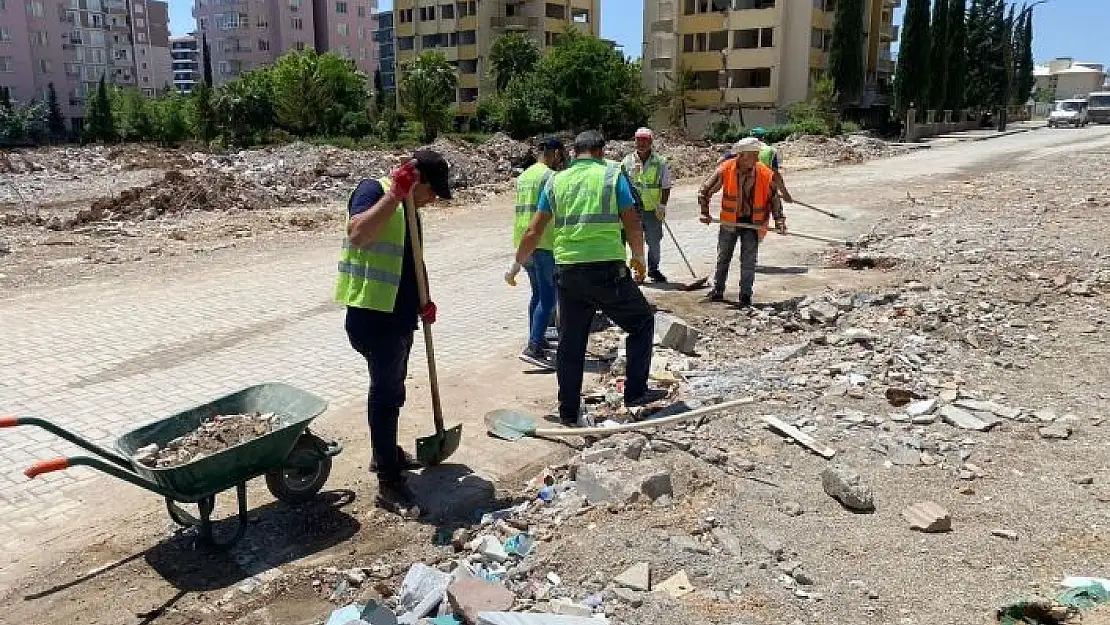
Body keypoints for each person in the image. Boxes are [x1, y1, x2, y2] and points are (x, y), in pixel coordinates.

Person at [506, 130, 666, 426]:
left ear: (575, 151)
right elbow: (632, 221)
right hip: (607, 269)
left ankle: (568, 411)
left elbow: (534, 230)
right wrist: (639, 258)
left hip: (568, 272)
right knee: (642, 322)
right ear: (601, 150)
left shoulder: (556, 180)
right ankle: (635, 392)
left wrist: (516, 264)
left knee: (571, 342)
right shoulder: (612, 174)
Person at [336, 150, 452, 510]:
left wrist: (425, 299)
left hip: (399, 317)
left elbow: (416, 261)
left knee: (393, 391)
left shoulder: (410, 212)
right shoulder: (373, 190)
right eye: (433, 193)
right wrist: (394, 195)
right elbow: (358, 234)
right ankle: (388, 482)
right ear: (419, 182)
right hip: (373, 317)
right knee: (385, 397)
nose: (433, 201)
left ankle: (384, 453)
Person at [698, 137, 786, 307]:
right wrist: (704, 213)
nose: (757, 158)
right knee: (723, 257)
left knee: (748, 262)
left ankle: (745, 296)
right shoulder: (726, 169)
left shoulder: (764, 173)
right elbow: (704, 191)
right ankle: (718, 291)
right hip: (730, 222)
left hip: (753, 223)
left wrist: (780, 221)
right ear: (743, 155)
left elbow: (774, 199)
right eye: (754, 155)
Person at [508, 137, 567, 370]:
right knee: (548, 298)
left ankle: (538, 338)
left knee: (537, 295)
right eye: (559, 155)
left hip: (525, 242)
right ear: (553, 153)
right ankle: (533, 346)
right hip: (543, 242)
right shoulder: (549, 177)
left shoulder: (524, 176)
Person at [621, 127, 672, 283]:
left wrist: (662, 206)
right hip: (632, 210)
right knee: (635, 240)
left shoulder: (660, 162)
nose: (641, 143)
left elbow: (666, 186)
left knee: (654, 241)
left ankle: (653, 269)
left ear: (650, 142)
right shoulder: (627, 162)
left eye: (645, 140)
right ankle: (638, 272)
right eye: (638, 140)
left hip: (652, 209)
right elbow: (622, 185)